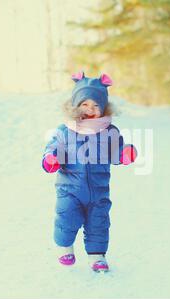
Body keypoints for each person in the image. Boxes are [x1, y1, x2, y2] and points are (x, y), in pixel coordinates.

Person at [42, 71, 137, 273]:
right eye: (85, 104)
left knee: (99, 222)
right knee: (66, 217)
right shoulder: (66, 130)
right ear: (76, 105)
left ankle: (97, 256)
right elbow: (54, 147)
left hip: (98, 189)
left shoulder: (110, 131)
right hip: (70, 188)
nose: (90, 109)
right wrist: (52, 158)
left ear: (103, 107)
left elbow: (116, 151)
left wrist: (124, 153)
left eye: (96, 105)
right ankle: (64, 246)